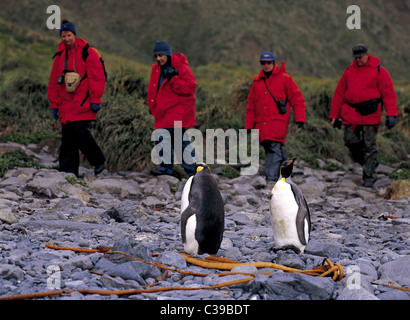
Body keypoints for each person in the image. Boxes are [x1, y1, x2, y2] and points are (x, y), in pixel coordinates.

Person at [329, 44, 399, 187]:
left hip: (371, 114)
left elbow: (388, 94)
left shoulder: (380, 70)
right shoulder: (349, 71)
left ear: (367, 54)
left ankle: (368, 176)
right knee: (350, 141)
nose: (359, 60)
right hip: (352, 114)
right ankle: (370, 163)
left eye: (361, 57)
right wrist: (334, 115)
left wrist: (391, 114)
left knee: (369, 145)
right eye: (356, 57)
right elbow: (339, 94)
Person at [48, 19, 106, 177]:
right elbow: (54, 82)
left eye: (69, 35)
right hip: (66, 104)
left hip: (83, 100)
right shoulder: (60, 55)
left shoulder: (87, 52)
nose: (66, 38)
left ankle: (98, 160)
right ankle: (68, 171)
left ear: (74, 34)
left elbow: (97, 77)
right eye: (63, 35)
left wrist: (95, 99)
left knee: (79, 131)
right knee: (68, 137)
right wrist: (54, 104)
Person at [245, 52, 306, 181]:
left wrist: (300, 118)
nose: (266, 65)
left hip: (278, 122)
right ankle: (286, 172)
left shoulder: (285, 79)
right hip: (261, 123)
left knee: (273, 147)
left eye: (269, 63)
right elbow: (251, 107)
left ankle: (271, 179)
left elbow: (297, 99)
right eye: (263, 63)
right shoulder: (257, 83)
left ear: (274, 63)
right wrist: (248, 126)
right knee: (270, 148)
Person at [147, 41, 197, 177]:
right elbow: (153, 89)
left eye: (161, 55)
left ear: (167, 54)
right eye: (156, 56)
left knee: (179, 142)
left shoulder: (179, 66)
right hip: (162, 111)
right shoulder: (156, 68)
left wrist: (173, 78)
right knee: (163, 138)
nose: (158, 59)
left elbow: (190, 88)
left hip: (176, 110)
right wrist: (152, 106)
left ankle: (193, 171)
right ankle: (167, 169)